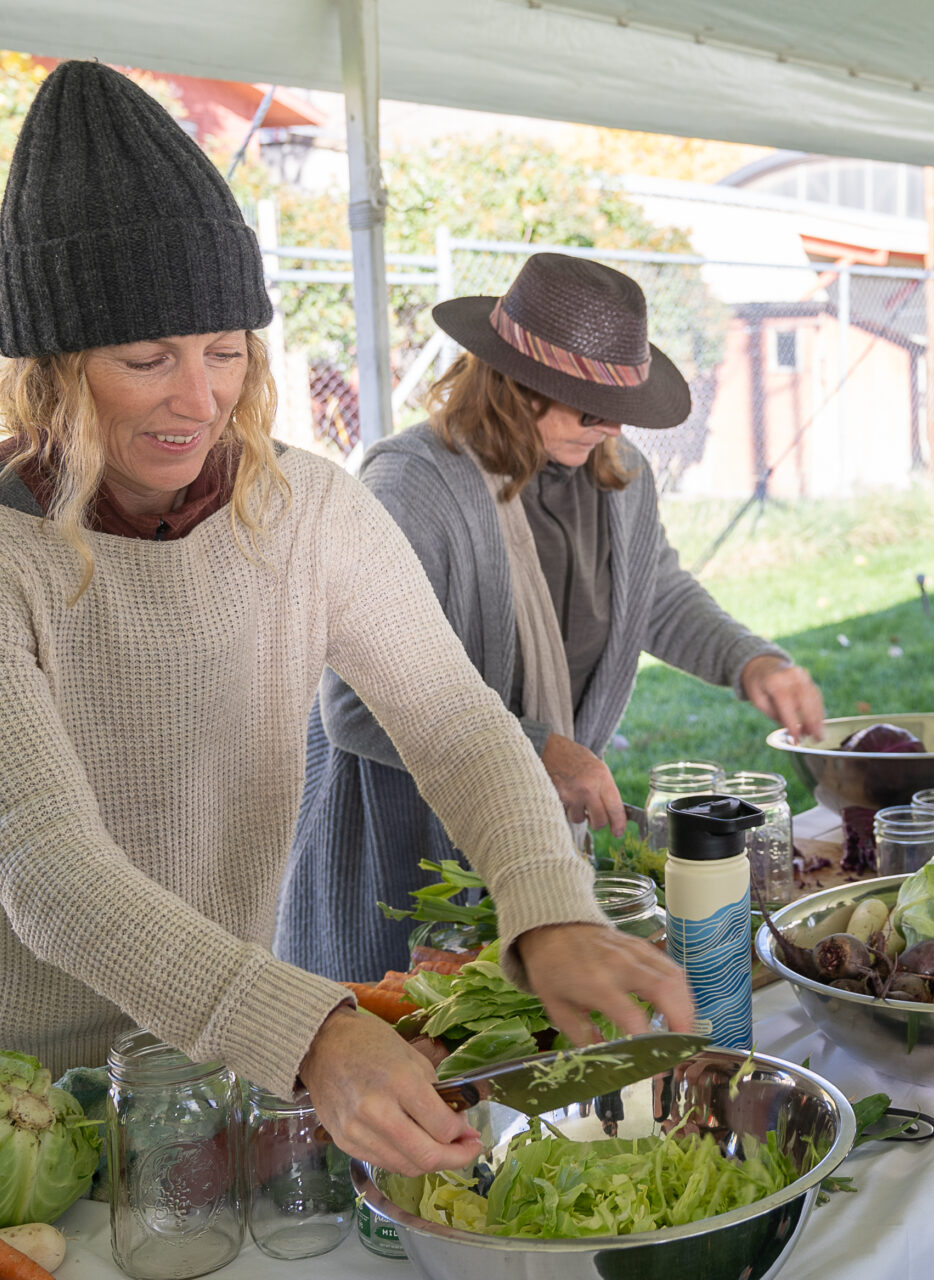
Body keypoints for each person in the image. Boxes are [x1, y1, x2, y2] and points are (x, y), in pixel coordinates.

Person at [0, 61, 692, 1179]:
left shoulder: (306, 504)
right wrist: (313, 1031)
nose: (197, 398)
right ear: (51, 369)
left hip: (200, 1019)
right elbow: (45, 866)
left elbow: (449, 714)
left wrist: (551, 909)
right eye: (146, 358)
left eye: (225, 349)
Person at [279, 253, 825, 981]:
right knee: (418, 1048)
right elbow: (351, 705)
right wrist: (536, 748)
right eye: (582, 404)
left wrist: (749, 659)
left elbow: (651, 591)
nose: (606, 426)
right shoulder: (413, 485)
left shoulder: (619, 475)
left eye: (616, 406)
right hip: (407, 848)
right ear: (512, 383)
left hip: (533, 835)